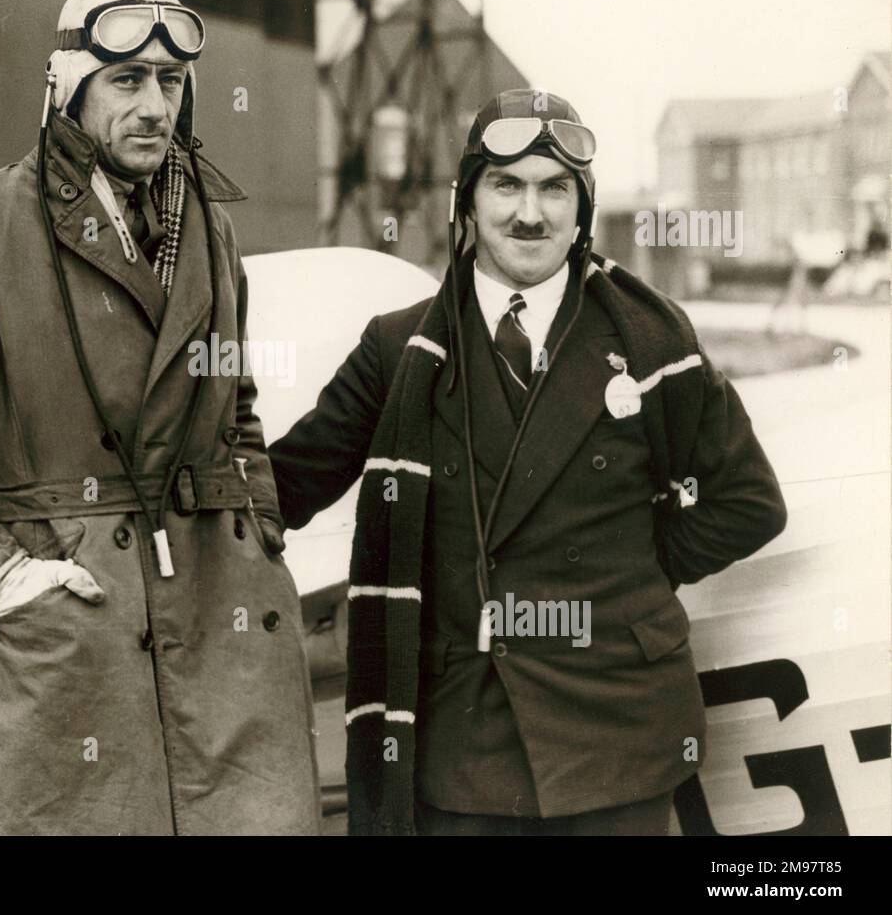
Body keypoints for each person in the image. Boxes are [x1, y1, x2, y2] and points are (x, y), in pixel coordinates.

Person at [0, 0, 321, 835]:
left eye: (170, 83)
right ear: (67, 89)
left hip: (220, 628)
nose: (153, 107)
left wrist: (255, 535)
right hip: (65, 630)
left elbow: (233, 396)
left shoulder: (208, 224)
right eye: (127, 80)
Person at [267, 89, 788, 836]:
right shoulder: (396, 349)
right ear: (467, 203)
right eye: (506, 184)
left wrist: (630, 580)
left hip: (620, 737)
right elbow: (280, 488)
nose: (530, 213)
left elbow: (748, 502)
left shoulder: (651, 339)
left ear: (582, 208)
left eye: (554, 189)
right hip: (463, 746)